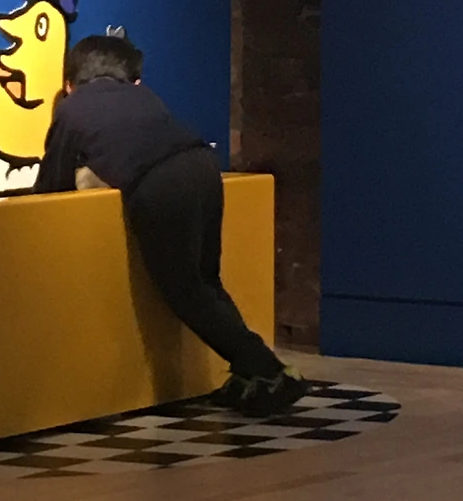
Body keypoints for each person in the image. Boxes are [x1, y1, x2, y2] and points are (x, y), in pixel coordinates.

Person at [34, 33, 306, 418]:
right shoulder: (144, 97)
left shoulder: (72, 108)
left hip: (160, 184)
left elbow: (52, 184)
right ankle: (250, 374)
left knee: (184, 292)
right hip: (202, 166)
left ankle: (268, 369)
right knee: (206, 281)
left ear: (69, 84)